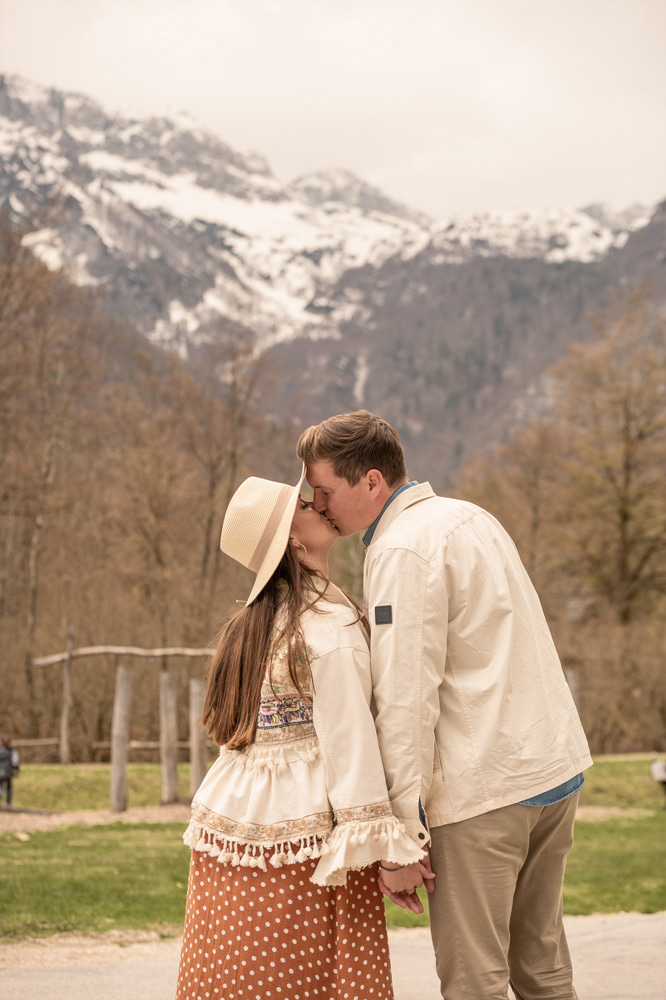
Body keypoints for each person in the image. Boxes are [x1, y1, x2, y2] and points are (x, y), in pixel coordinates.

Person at [296, 410, 594, 1000]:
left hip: (484, 791)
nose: (319, 505)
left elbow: (405, 699)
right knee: (542, 968)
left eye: (325, 490)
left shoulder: (402, 549)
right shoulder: (471, 517)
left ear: (372, 481)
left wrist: (401, 838)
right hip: (551, 772)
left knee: (473, 981)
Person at [176, 465, 428, 1000]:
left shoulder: (249, 627)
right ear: (293, 540)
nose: (318, 503)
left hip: (230, 839)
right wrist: (393, 855)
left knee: (239, 981)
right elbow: (350, 746)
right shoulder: (328, 627)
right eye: (305, 506)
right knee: (310, 983)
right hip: (303, 846)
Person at [0, 734, 20, 806]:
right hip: (8, 771)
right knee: (9, 787)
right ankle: (8, 803)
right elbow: (15, 761)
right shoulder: (13, 751)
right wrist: (17, 769)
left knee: (0, 785)